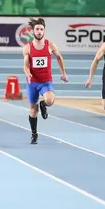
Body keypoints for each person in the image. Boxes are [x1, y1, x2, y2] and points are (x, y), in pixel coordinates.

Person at [22, 17, 69, 145]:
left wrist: (63, 73)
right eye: (37, 29)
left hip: (46, 81)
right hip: (33, 82)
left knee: (49, 100)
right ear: (33, 31)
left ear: (44, 31)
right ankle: (34, 134)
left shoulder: (50, 45)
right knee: (33, 111)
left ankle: (43, 104)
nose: (39, 31)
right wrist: (28, 73)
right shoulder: (28, 48)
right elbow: (26, 65)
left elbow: (59, 58)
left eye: (41, 29)